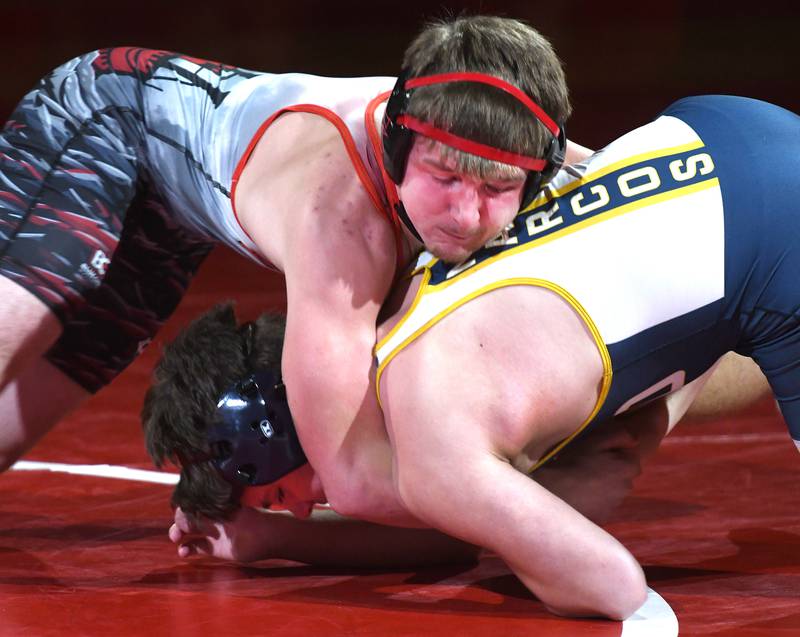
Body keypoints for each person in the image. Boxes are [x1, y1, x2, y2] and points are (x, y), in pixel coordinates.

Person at [144, 93, 792, 620]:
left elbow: (618, 586)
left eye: (283, 494)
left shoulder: (430, 431)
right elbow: (457, 517)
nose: (308, 506)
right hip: (705, 129)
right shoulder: (394, 285)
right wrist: (275, 540)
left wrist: (559, 575)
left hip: (771, 244)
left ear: (273, 431)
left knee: (579, 483)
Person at [0, 16, 588, 524]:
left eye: (497, 187)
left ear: (535, 175)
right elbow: (355, 479)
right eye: (444, 177)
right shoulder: (337, 224)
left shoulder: (517, 141)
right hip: (105, 115)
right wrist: (531, 502)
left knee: (52, 387)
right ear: (398, 150)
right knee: (53, 284)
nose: (465, 215)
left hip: (183, 214)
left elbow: (656, 169)